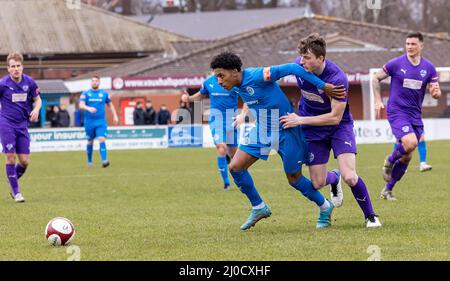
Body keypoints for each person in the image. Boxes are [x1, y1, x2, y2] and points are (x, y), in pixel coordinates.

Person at [210, 51, 345, 230]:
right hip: (262, 131)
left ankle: (325, 206)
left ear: (235, 71)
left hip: (286, 130)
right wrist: (243, 116)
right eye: (217, 77)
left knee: (294, 178)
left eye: (221, 75)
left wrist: (322, 85)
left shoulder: (260, 75)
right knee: (235, 167)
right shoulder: (236, 85)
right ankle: (259, 207)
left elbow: (292, 67)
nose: (219, 81)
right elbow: (251, 99)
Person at [280, 34, 381, 228]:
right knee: (317, 183)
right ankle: (333, 178)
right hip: (312, 129)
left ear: (321, 58)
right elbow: (275, 74)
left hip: (338, 127)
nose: (302, 61)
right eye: (301, 56)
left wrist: (300, 119)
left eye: (307, 57)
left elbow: (335, 117)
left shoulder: (337, 78)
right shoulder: (298, 66)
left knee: (350, 176)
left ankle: (371, 217)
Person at [372, 32, 441, 201]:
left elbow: (435, 90)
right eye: (407, 44)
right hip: (397, 111)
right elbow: (375, 78)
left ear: (421, 46)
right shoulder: (396, 63)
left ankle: (387, 190)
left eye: (413, 44)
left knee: (407, 155)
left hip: (415, 115)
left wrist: (436, 93)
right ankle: (389, 161)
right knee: (411, 143)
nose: (409, 47)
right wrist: (377, 100)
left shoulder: (429, 68)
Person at [181, 77, 239, 191]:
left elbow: (247, 97)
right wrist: (188, 98)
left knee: (235, 156)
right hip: (216, 120)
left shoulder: (235, 81)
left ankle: (238, 178)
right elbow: (200, 95)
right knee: (221, 148)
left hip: (231, 120)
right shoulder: (209, 82)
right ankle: (226, 183)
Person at [0, 52, 42, 202]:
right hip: (6, 124)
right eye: (13, 66)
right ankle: (17, 192)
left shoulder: (29, 82)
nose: (16, 69)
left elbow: (38, 100)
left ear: (22, 67)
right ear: (8, 68)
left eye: (18, 66)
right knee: (10, 158)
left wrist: (36, 109)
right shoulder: (3, 84)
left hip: (22, 125)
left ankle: (12, 181)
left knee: (24, 161)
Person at [79, 76, 119, 168]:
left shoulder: (104, 93)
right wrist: (88, 108)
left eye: (96, 81)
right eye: (93, 81)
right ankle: (89, 161)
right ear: (91, 82)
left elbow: (110, 105)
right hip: (89, 122)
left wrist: (115, 115)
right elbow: (81, 105)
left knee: (102, 139)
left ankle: (104, 160)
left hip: (101, 122)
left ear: (99, 82)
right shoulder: (86, 93)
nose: (94, 82)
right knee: (90, 141)